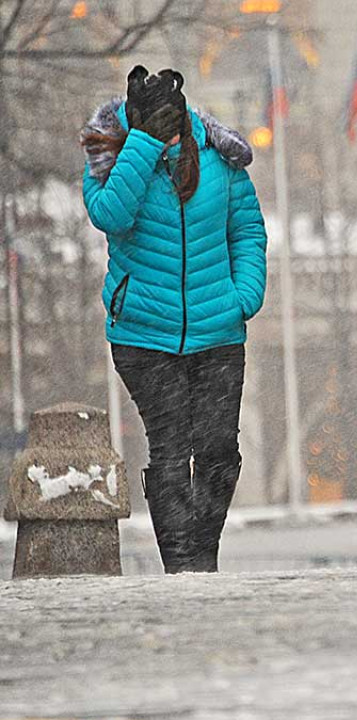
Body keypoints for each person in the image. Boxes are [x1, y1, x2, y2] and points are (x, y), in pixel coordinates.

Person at [80, 66, 267, 573]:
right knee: (170, 447)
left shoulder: (219, 158)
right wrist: (143, 142)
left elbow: (246, 229)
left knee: (219, 451)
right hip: (143, 334)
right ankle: (184, 566)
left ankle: (200, 557)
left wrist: (243, 297)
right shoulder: (110, 156)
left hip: (218, 330)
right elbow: (112, 216)